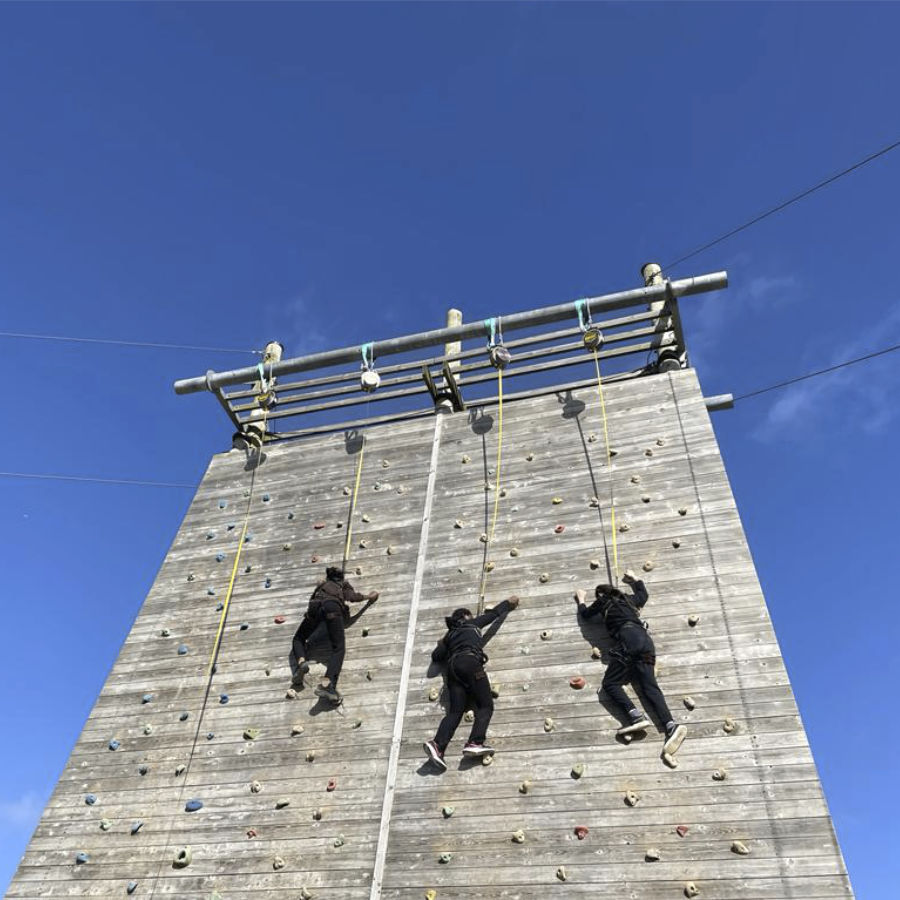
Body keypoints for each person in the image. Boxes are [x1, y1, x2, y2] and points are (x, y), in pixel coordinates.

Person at [576, 571, 686, 756]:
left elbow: (586, 615)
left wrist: (580, 599)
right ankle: (671, 726)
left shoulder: (604, 601)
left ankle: (635, 717)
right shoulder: (629, 600)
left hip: (628, 639)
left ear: (602, 595)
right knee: (649, 686)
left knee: (610, 684)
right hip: (646, 641)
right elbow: (643, 595)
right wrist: (634, 579)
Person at [423, 596, 520, 770]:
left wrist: (442, 642)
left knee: (455, 712)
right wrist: (509, 602)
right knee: (485, 706)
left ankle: (438, 745)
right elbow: (495, 614)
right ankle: (475, 742)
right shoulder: (473, 624)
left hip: (452, 670)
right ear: (466, 616)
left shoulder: (449, 636)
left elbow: (436, 657)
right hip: (469, 662)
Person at [292, 566, 378, 703]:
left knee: (298, 638)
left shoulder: (322, 585)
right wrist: (369, 597)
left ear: (328, 577)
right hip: (331, 609)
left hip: (314, 609)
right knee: (338, 648)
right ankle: (328, 685)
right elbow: (353, 598)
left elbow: (313, 598)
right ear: (341, 577)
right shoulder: (343, 584)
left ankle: (301, 662)